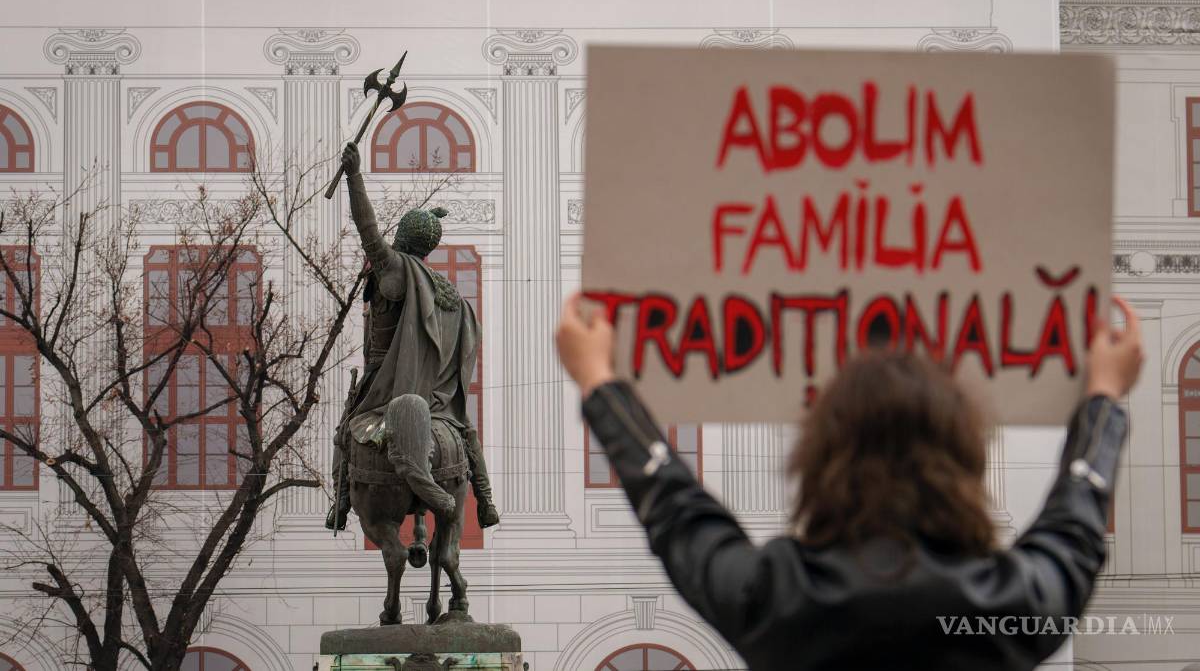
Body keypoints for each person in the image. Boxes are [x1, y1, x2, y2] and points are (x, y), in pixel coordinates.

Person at [555, 293, 1143, 671]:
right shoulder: (1012, 606)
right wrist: (1103, 398)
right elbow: (1078, 513)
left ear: (820, 459)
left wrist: (600, 382)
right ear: (963, 459)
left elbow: (673, 502)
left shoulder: (778, 600)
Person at [325, 142, 500, 532]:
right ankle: (485, 500)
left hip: (387, 386)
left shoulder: (396, 271)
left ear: (402, 238)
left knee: (343, 434)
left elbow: (367, 229)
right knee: (465, 431)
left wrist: (354, 177)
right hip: (440, 399)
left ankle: (338, 504)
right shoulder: (452, 294)